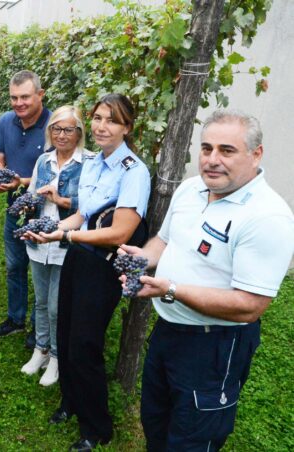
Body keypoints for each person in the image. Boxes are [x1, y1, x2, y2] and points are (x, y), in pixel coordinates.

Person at [119, 110, 293, 451]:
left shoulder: (267, 216)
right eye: (206, 148)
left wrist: (170, 289)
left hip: (214, 345)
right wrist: (142, 258)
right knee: (156, 421)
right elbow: (164, 241)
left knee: (193, 439)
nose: (212, 160)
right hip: (168, 331)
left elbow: (249, 307)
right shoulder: (190, 189)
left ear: (256, 154)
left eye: (227, 150)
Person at [25, 93, 151, 451]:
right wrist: (55, 229)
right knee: (65, 331)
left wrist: (65, 234)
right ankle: (71, 402)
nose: (101, 126)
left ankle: (96, 427)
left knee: (86, 342)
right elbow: (82, 213)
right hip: (78, 255)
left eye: (111, 120)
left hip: (104, 264)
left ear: (127, 127)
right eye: (97, 118)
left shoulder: (134, 172)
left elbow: (120, 232)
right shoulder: (94, 163)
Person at [20, 106, 88, 386]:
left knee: (57, 305)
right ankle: (41, 350)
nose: (61, 135)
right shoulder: (43, 162)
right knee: (40, 301)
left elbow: (91, 208)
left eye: (68, 129)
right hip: (39, 242)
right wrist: (27, 206)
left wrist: (61, 200)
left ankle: (58, 358)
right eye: (56, 129)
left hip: (65, 244)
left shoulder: (89, 165)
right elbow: (30, 194)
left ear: (79, 133)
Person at [0, 70, 51, 347]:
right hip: (16, 207)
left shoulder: (54, 126)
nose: (19, 103)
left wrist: (21, 182)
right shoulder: (5, 122)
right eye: (14, 98)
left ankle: (39, 328)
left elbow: (57, 176)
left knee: (42, 271)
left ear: (40, 95)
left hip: (45, 212)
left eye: (25, 97)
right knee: (15, 266)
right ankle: (16, 319)